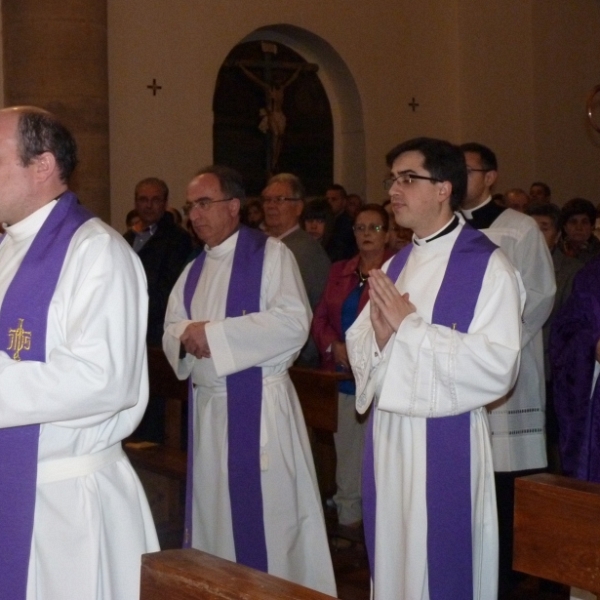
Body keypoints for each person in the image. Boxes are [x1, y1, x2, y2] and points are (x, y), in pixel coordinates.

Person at [346, 137, 523, 600]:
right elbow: (362, 338)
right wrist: (383, 340)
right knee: (396, 563)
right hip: (390, 439)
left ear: (444, 187)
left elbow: (498, 366)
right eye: (392, 180)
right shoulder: (399, 261)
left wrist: (410, 329)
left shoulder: (488, 266)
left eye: (408, 179)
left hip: (446, 442)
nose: (394, 191)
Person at [0, 106, 159, 600]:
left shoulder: (97, 252)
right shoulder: (9, 249)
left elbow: (103, 380)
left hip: (67, 505)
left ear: (42, 165)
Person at [162, 165, 336, 595]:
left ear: (234, 206)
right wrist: (187, 337)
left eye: (204, 203)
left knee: (272, 523)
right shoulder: (194, 268)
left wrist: (213, 335)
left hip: (259, 413)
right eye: (190, 206)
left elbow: (294, 323)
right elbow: (171, 325)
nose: (195, 215)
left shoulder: (270, 256)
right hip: (209, 414)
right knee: (215, 518)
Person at [460, 142, 555, 598]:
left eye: (467, 170)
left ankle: (510, 570)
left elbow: (539, 293)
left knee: (507, 479)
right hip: (460, 368)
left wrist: (496, 341)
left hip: (507, 367)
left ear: (491, 177)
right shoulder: (448, 227)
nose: (457, 177)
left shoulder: (518, 229)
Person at [312, 203, 392, 532]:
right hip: (344, 377)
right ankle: (349, 525)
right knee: (347, 461)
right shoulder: (340, 270)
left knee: (380, 462)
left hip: (381, 379)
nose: (366, 234)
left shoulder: (398, 270)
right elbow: (319, 318)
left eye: (374, 228)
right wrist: (336, 345)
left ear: (387, 234)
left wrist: (359, 349)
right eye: (360, 228)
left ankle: (381, 530)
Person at [527, 202, 583, 472]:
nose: (537, 234)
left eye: (544, 228)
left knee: (551, 442)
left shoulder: (571, 271)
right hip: (520, 364)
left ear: (558, 235)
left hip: (553, 368)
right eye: (532, 228)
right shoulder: (510, 265)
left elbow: (567, 325)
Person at [262, 173, 330, 366]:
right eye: (267, 200)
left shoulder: (304, 250)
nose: (271, 205)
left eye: (280, 199)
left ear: (299, 207)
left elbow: (309, 309)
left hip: (297, 357)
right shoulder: (270, 245)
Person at [124, 177, 193, 347]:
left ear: (165, 203)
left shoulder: (178, 239)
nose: (148, 205)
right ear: (135, 202)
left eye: (155, 200)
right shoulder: (126, 238)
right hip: (126, 325)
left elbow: (170, 290)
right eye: (143, 200)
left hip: (158, 331)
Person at [558, 197, 600, 263]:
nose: (579, 228)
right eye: (573, 222)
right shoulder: (555, 251)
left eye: (584, 222)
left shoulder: (598, 253)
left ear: (592, 226)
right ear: (565, 227)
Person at [325, 184, 358, 262]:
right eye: (327, 200)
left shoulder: (348, 224)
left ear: (344, 202)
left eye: (334, 199)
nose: (329, 203)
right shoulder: (327, 221)